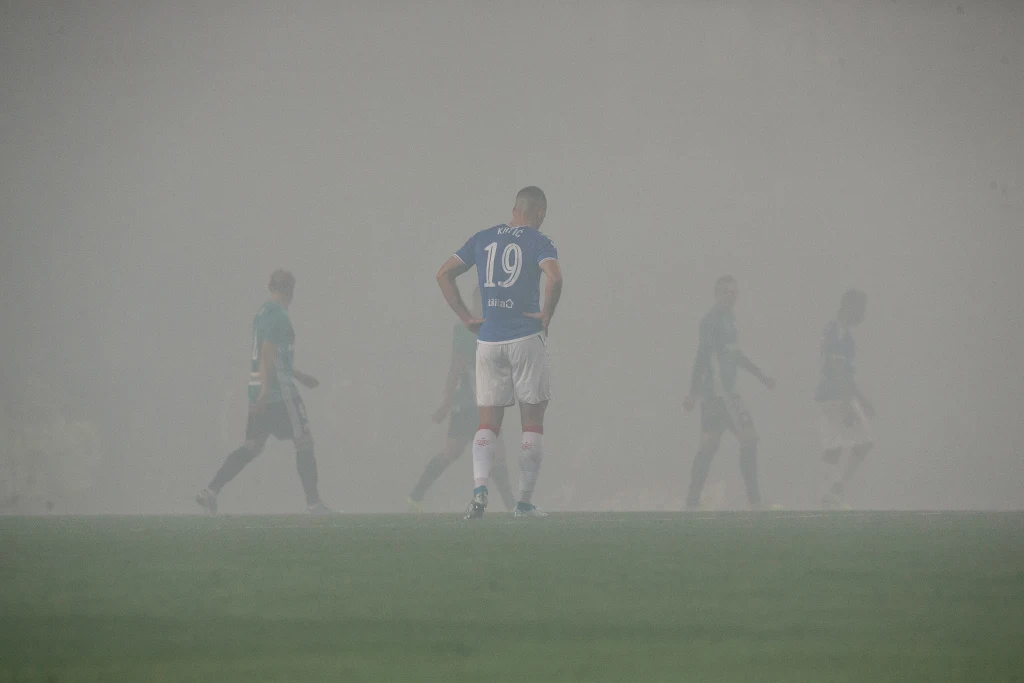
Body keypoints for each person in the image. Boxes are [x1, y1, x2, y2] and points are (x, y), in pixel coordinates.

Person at [436, 186, 562, 519]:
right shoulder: (540, 242)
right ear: (538, 213)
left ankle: (479, 493)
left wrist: (466, 317)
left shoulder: (482, 238)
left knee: (487, 424)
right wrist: (547, 313)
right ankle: (523, 503)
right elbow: (555, 277)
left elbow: (443, 273)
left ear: (513, 209)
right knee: (532, 422)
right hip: (525, 339)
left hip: (488, 341)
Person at [196, 269, 329, 514]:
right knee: (304, 441)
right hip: (279, 393)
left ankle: (211, 490)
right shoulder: (279, 315)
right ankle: (314, 503)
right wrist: (268, 390)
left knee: (252, 446)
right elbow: (268, 352)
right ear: (290, 290)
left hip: (258, 387)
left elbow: (273, 354)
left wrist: (300, 376)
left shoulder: (262, 312)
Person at [406, 287, 516, 512]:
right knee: (469, 452)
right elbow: (455, 369)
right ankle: (512, 506)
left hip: (484, 404)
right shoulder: (465, 331)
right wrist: (446, 404)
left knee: (474, 453)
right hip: (468, 404)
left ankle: (415, 496)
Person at [683, 275, 775, 509]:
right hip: (719, 394)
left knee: (714, 445)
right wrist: (693, 391)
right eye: (726, 292)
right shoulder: (711, 321)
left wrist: (760, 375)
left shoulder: (731, 319)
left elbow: (735, 355)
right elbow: (703, 355)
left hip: (725, 394)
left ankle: (692, 502)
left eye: (735, 292)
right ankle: (754, 501)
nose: (732, 296)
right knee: (745, 439)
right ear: (716, 294)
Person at [815, 289, 874, 509]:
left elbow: (845, 372)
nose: (863, 315)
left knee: (836, 445)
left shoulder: (842, 331)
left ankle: (829, 494)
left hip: (834, 395)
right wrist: (850, 402)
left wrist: (861, 398)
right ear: (850, 307)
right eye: (862, 309)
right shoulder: (837, 331)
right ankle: (833, 491)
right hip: (834, 396)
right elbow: (837, 369)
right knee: (863, 440)